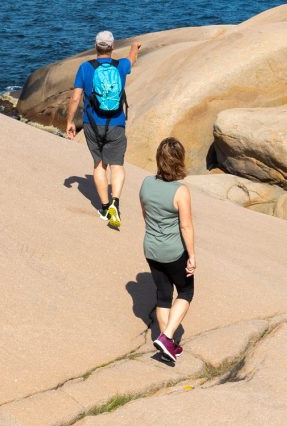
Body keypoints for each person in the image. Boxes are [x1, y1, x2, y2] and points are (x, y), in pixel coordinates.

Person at [65, 31, 141, 228]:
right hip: (116, 122)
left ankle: (105, 207)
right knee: (117, 165)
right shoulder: (121, 65)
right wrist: (135, 46)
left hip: (92, 123)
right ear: (112, 47)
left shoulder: (86, 68)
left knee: (99, 165)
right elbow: (132, 58)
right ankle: (116, 201)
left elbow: (75, 98)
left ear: (96, 46)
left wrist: (70, 121)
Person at [139, 138, 196, 363]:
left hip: (151, 248)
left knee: (163, 295)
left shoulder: (145, 183)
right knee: (185, 292)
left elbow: (145, 214)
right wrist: (191, 255)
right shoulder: (180, 191)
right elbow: (186, 225)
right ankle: (167, 337)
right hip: (173, 251)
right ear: (179, 161)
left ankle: (167, 345)